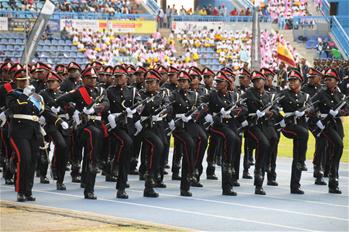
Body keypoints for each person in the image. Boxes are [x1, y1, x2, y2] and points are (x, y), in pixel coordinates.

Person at [7, 69, 68, 202]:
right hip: (19, 131)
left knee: (33, 161)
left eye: (26, 80)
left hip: (34, 132)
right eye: (21, 81)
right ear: (16, 82)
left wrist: (59, 121)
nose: (24, 83)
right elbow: (13, 108)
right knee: (24, 159)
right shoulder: (12, 94)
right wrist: (24, 95)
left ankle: (28, 191)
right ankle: (20, 191)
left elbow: (44, 111)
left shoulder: (36, 97)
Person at [56, 66, 110, 199]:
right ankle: (89, 189)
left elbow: (107, 103)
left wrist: (96, 108)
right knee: (92, 153)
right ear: (83, 79)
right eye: (89, 78)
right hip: (84, 126)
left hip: (97, 123)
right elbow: (61, 100)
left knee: (93, 153)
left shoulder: (101, 90)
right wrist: (73, 111)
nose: (92, 80)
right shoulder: (79, 91)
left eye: (94, 78)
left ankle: (87, 180)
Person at [312, 69, 348, 194]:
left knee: (336, 151)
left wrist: (340, 112)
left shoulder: (340, 96)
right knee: (337, 145)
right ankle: (324, 173)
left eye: (330, 79)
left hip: (337, 125)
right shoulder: (321, 94)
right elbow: (310, 106)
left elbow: (347, 109)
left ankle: (333, 181)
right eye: (326, 79)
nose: (327, 81)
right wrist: (317, 120)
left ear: (336, 82)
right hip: (325, 125)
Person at [278, 70, 310, 194]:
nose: (291, 83)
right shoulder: (284, 94)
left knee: (297, 154)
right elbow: (274, 106)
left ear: (300, 82)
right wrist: (281, 119)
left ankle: (295, 185)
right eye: (290, 80)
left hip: (301, 126)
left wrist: (305, 111)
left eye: (294, 80)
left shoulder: (305, 96)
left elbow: (312, 106)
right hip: (288, 126)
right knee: (303, 133)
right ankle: (302, 161)